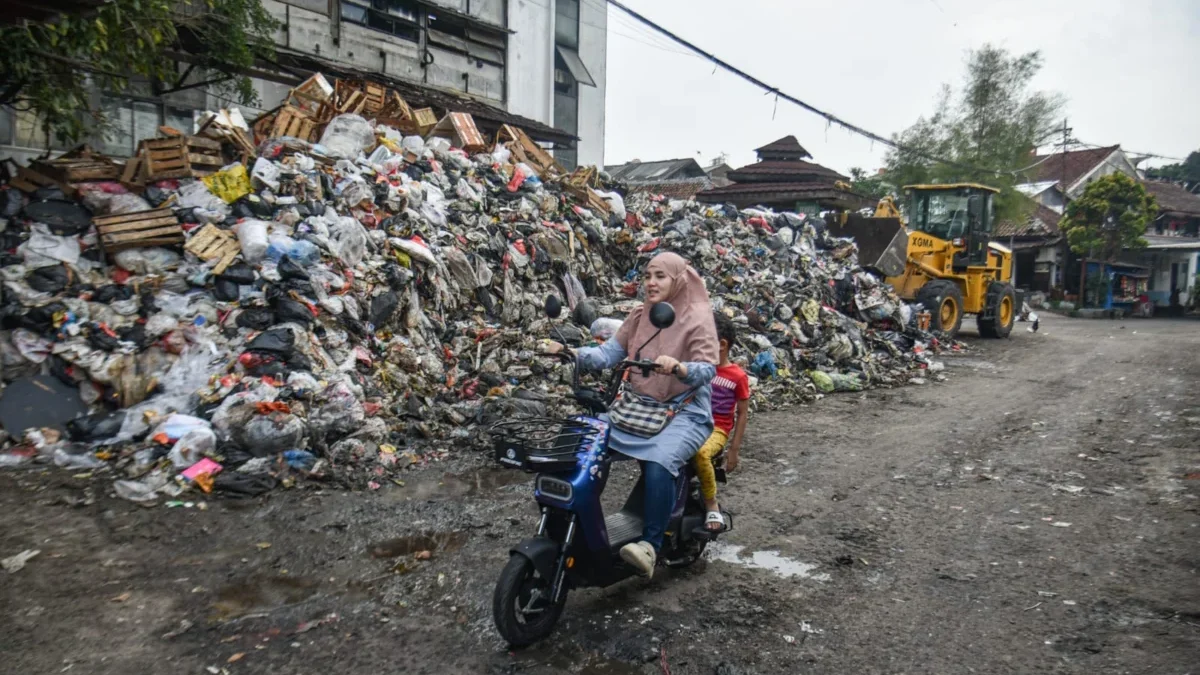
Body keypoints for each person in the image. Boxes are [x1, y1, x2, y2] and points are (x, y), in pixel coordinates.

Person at [547, 252, 718, 579]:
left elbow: (708, 369)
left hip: (685, 410)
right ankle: (576, 524)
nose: (651, 283)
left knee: (658, 462)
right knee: (585, 444)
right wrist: (571, 353)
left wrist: (680, 367)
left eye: (660, 276)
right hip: (638, 406)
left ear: (678, 280)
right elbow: (607, 354)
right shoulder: (640, 316)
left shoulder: (697, 319)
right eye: (648, 276)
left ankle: (650, 546)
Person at [693, 312, 750, 531]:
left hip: (717, 429)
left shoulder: (737, 377)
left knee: (700, 454)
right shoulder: (698, 367)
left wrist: (733, 450)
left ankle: (711, 504)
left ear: (721, 345)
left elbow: (742, 413)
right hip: (693, 422)